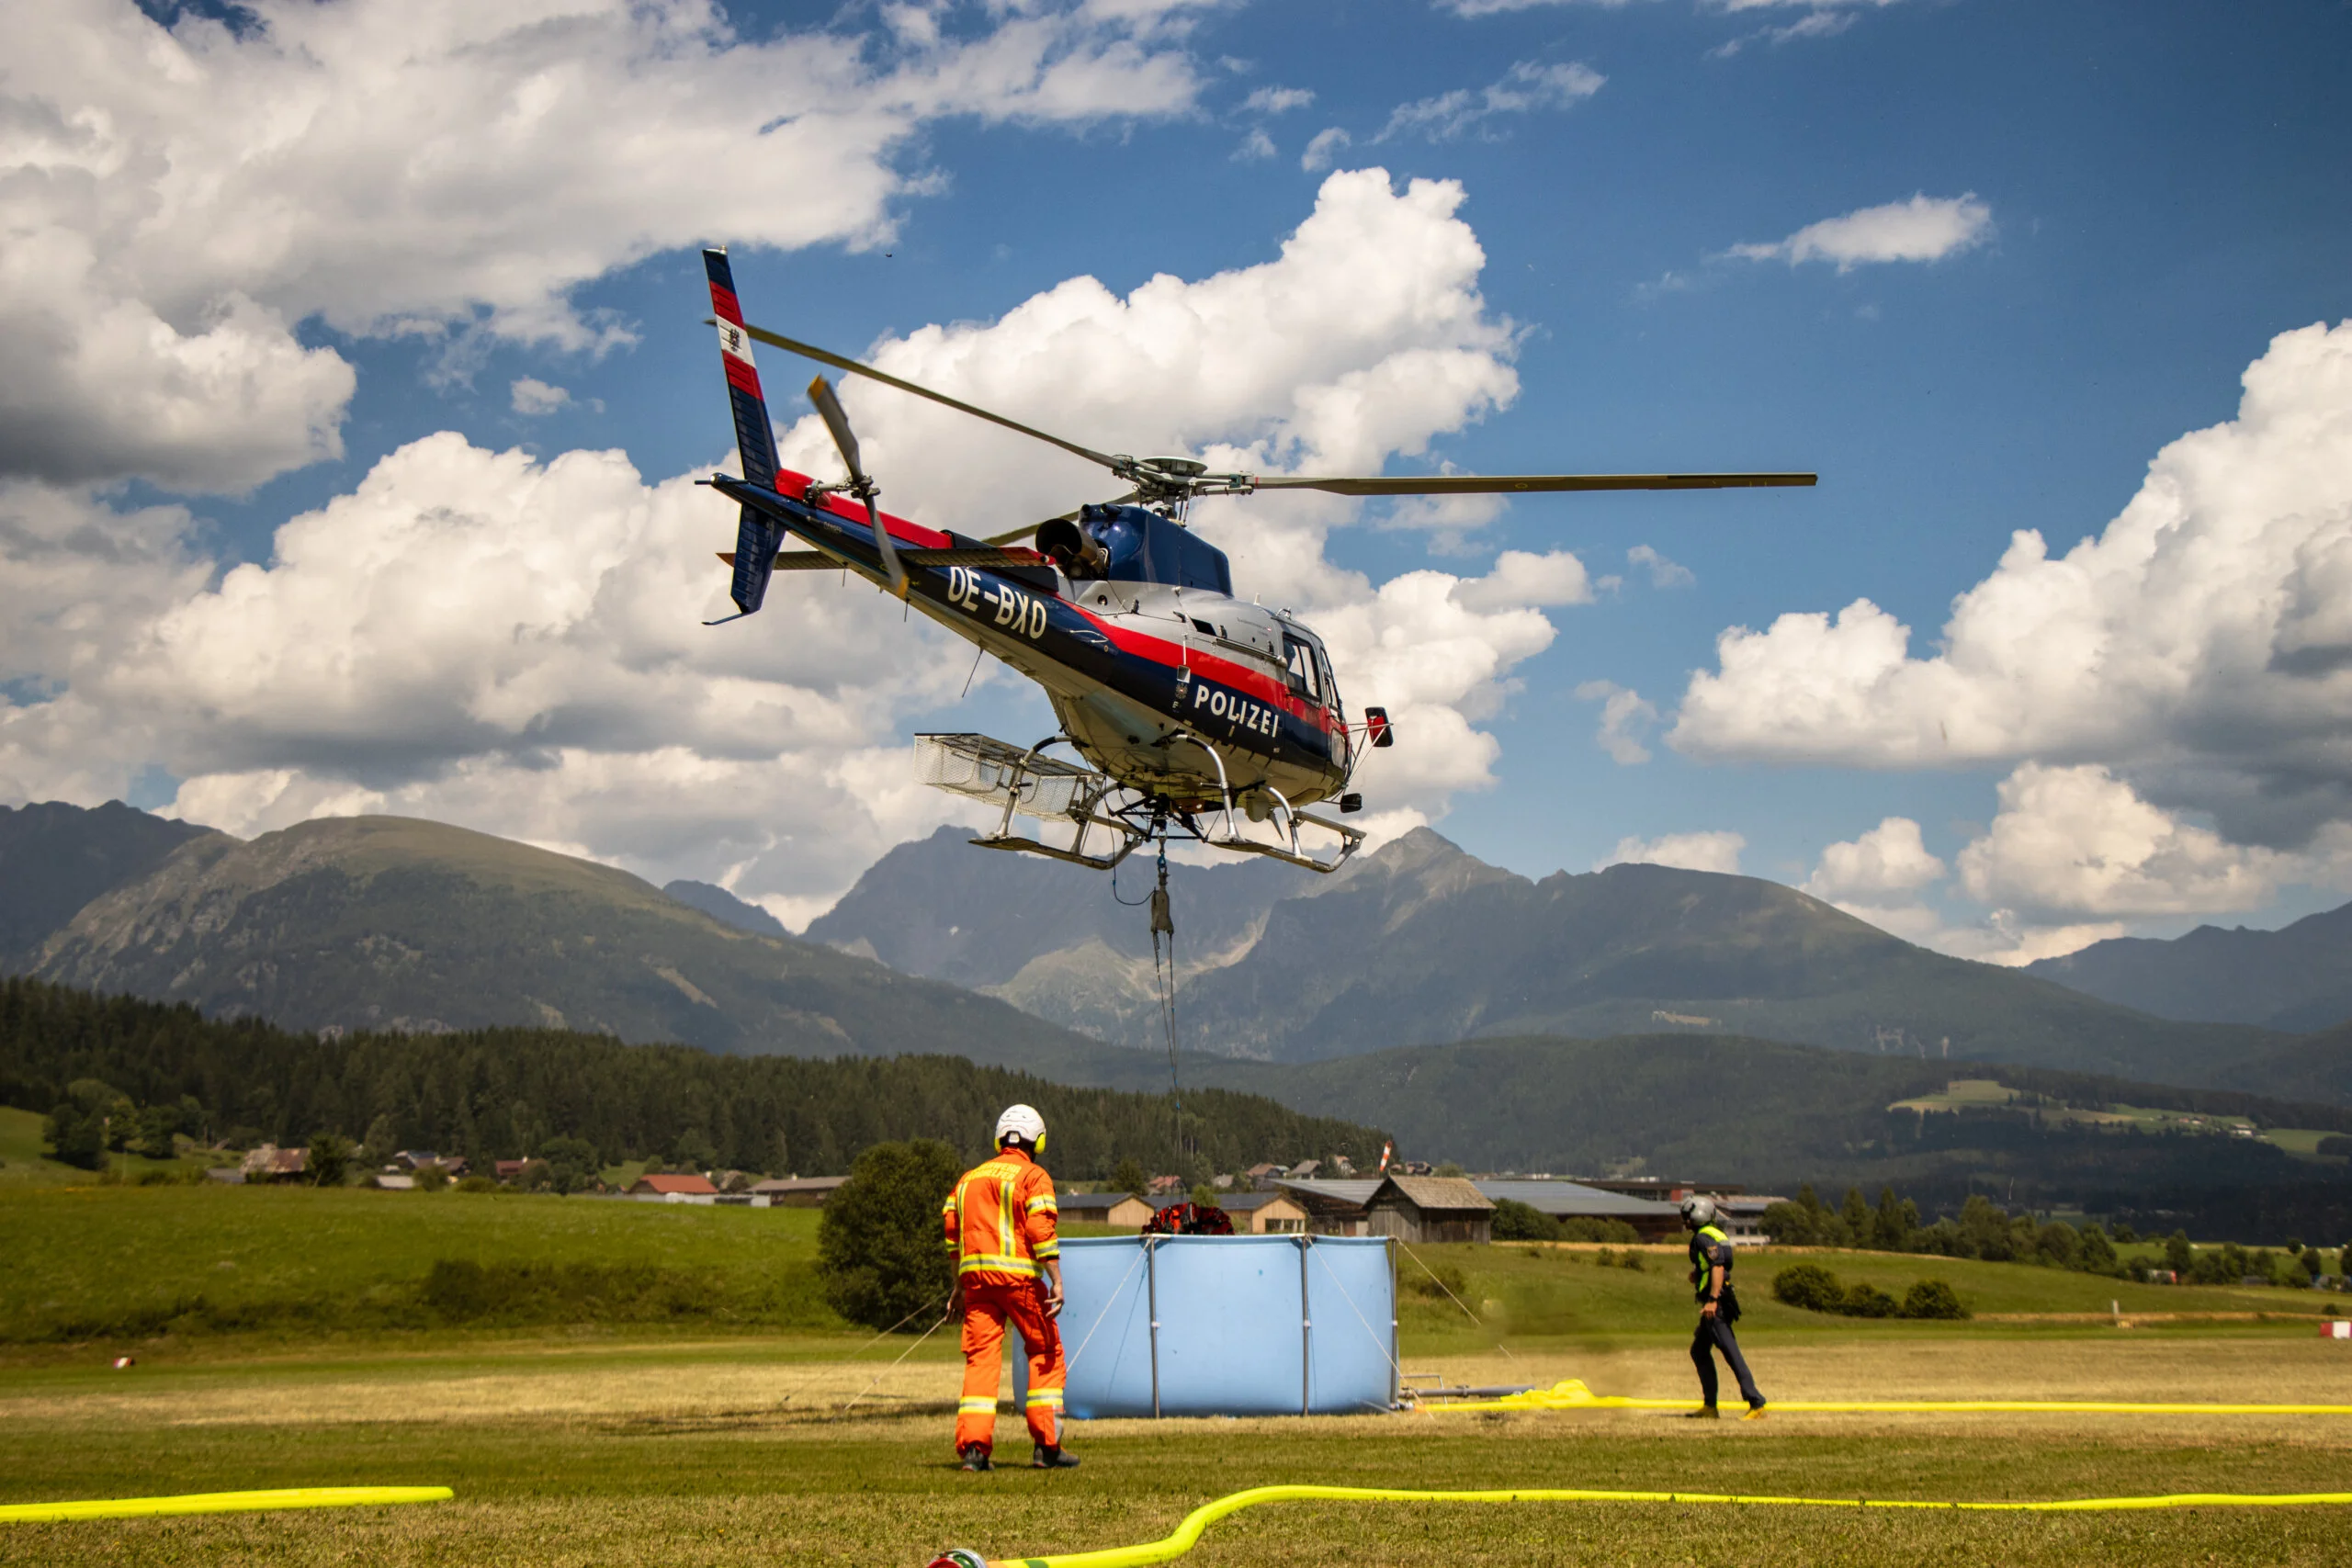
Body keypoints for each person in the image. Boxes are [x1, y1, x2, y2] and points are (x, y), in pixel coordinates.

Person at [943, 1104, 1078, 1471]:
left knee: (981, 1362)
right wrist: (1057, 1279)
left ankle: (974, 1451)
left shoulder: (968, 1179)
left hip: (978, 1286)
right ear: (1039, 1141)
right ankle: (1047, 1448)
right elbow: (1039, 1231)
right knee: (1045, 1351)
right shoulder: (1034, 1176)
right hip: (1019, 1282)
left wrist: (958, 1288)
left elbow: (952, 1235)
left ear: (999, 1138)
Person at [1682, 1193, 1766, 1419]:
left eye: (1687, 1216)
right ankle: (1710, 1406)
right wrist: (1698, 1274)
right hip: (1721, 1299)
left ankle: (1756, 1402)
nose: (1685, 1220)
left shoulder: (1702, 1237)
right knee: (1699, 1351)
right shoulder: (1717, 1234)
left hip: (1716, 1304)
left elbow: (1717, 1267)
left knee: (1730, 1352)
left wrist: (1712, 1299)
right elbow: (1716, 1265)